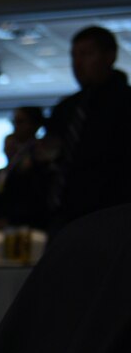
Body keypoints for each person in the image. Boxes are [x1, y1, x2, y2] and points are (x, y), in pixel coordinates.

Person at [44, 25, 131, 232]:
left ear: (110, 56)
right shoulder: (66, 109)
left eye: (86, 54)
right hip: (63, 215)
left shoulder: (126, 104)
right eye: (74, 56)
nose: (77, 63)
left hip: (111, 215)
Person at [0, 106, 51, 231]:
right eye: (14, 122)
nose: (15, 127)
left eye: (20, 122)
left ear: (34, 125)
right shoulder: (17, 156)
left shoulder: (40, 152)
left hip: (30, 223)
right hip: (9, 221)